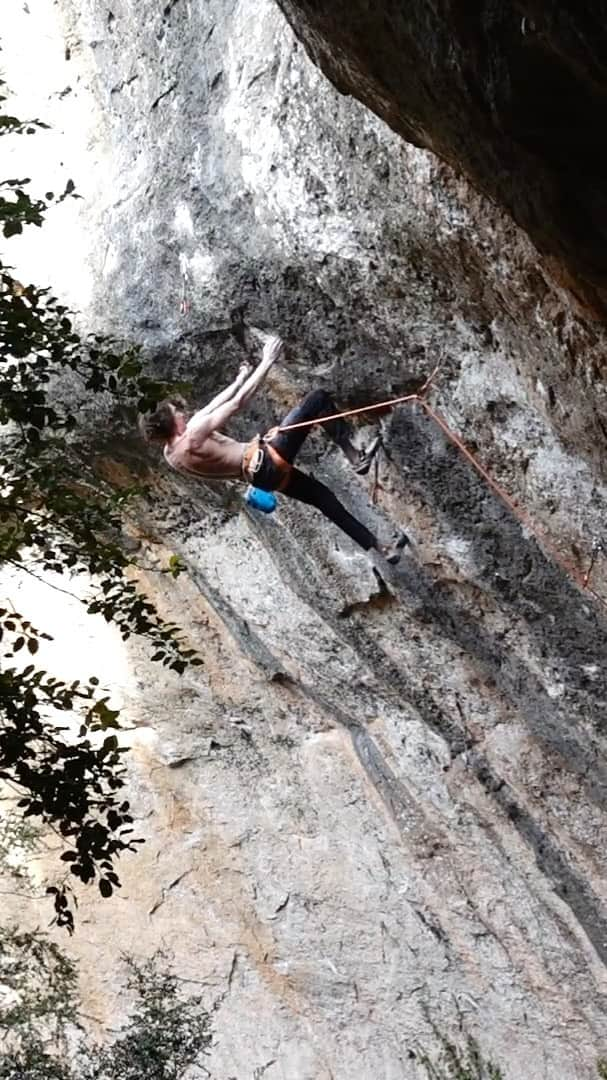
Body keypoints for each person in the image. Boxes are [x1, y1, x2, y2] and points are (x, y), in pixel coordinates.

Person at [141, 333, 407, 563]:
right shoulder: (193, 435)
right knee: (317, 399)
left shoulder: (172, 455)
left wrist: (239, 378)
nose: (182, 414)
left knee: (324, 500)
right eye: (177, 414)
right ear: (172, 424)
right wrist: (267, 361)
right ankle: (354, 456)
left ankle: (382, 549)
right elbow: (236, 404)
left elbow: (208, 408)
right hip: (268, 458)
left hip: (265, 478)